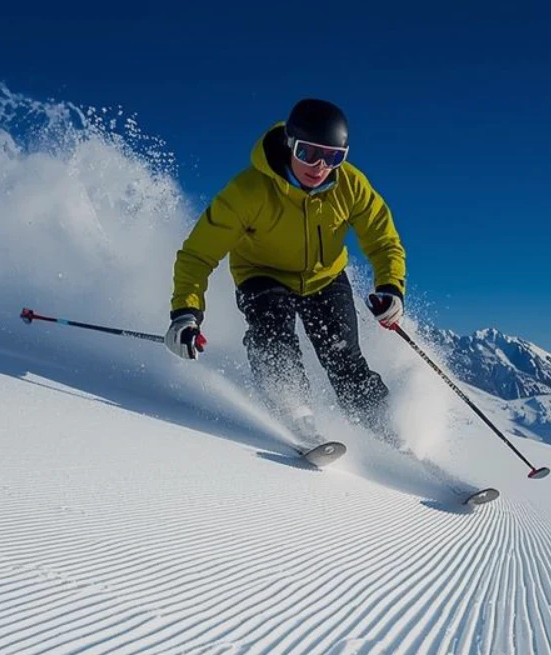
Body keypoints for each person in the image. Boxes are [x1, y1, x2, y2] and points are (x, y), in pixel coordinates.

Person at [164, 98, 407, 437]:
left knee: (345, 358)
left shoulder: (350, 185)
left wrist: (390, 286)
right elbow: (197, 255)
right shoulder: (248, 192)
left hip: (325, 277)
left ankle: (390, 433)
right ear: (289, 144)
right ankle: (293, 412)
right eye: (308, 153)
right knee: (273, 335)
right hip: (263, 274)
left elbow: (382, 239)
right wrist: (185, 314)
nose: (320, 166)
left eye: (334, 156)